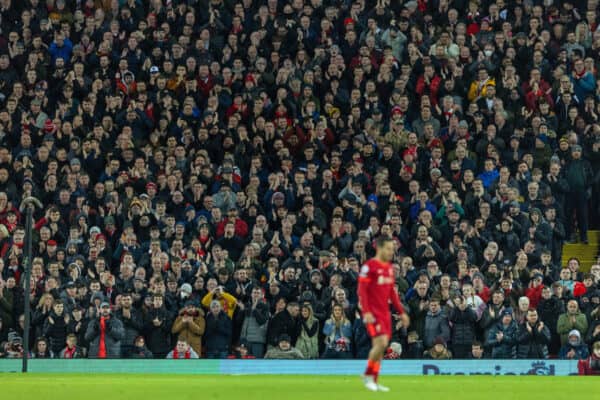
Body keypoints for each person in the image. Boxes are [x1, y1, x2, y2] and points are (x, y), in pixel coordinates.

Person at [358, 236, 409, 392]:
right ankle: (368, 376)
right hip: (373, 313)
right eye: (388, 248)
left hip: (385, 313)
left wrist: (402, 313)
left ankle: (373, 378)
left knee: (383, 346)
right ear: (379, 248)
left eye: (392, 249)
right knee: (379, 344)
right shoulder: (369, 267)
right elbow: (362, 291)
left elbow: (392, 294)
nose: (391, 251)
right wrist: (366, 311)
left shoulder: (388, 267)